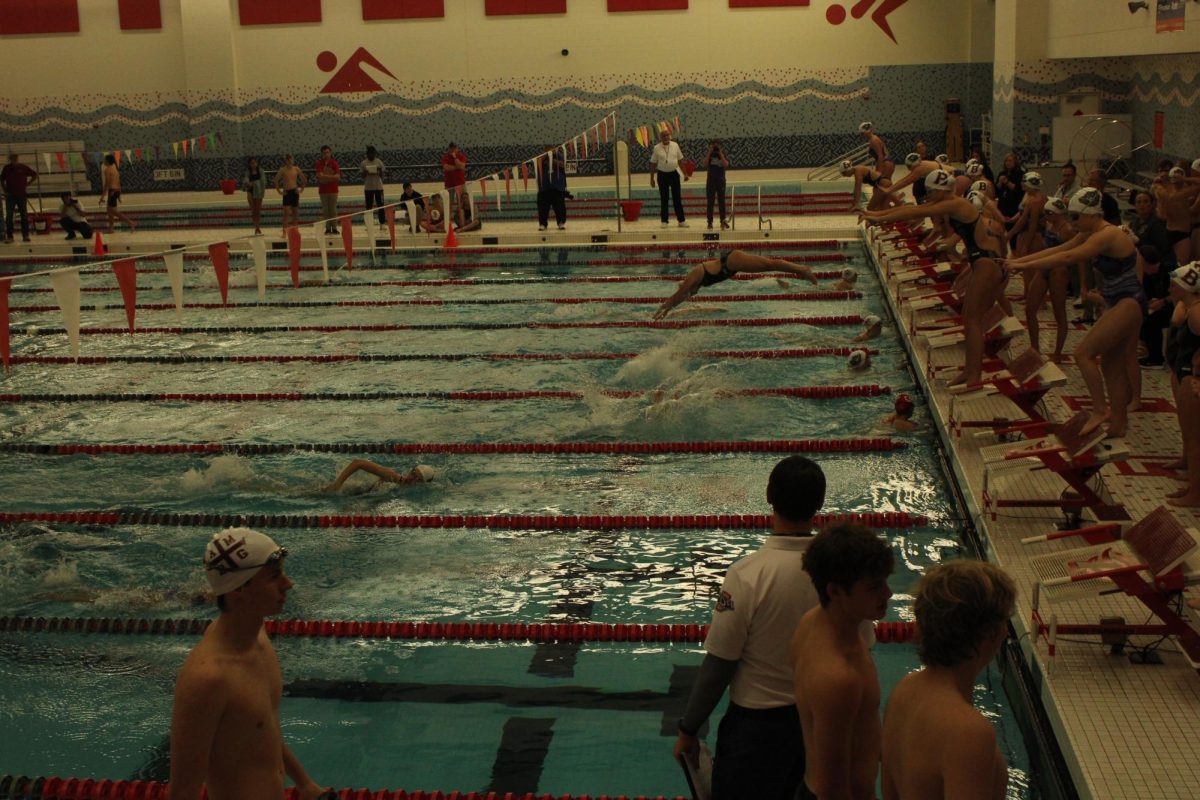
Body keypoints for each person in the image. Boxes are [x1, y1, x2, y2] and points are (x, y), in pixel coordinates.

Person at [673, 456, 829, 800]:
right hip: (821, 728)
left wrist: (688, 728)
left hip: (757, 733)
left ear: (769, 496)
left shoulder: (748, 574)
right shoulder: (838, 573)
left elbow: (720, 663)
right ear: (819, 503)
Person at [168, 528, 329, 800]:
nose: (287, 584)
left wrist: (304, 783)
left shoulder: (259, 639)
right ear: (239, 589)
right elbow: (183, 792)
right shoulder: (208, 678)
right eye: (274, 577)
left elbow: (261, 727)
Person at [1006, 187, 1143, 438]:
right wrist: (1019, 262)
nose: (1073, 223)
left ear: (1091, 214)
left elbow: (1068, 257)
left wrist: (1022, 264)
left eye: (1076, 217)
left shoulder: (1107, 234)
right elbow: (1060, 248)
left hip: (1128, 301)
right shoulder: (1091, 231)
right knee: (1112, 366)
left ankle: (1100, 410)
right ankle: (1118, 425)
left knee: (1083, 354)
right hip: (1117, 301)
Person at [881, 561, 1016, 800]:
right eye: (1005, 620)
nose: (1006, 631)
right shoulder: (969, 731)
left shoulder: (905, 690)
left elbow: (889, 791)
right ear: (990, 632)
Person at [863, 170, 1007, 386]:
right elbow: (916, 209)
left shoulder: (954, 204)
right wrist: (876, 216)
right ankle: (970, 371)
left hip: (987, 263)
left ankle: (975, 376)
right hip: (984, 261)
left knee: (972, 320)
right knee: (970, 319)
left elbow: (914, 210)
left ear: (940, 190)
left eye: (930, 191)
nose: (928, 195)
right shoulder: (955, 204)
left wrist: (875, 216)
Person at [792, 523, 895, 800]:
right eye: (874, 587)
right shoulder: (838, 678)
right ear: (836, 591)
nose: (888, 594)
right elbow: (832, 789)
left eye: (885, 581)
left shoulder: (813, 623)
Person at [653, 250, 818, 319]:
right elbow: (681, 298)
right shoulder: (695, 286)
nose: (691, 294)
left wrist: (661, 311)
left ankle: (802, 269)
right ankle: (801, 270)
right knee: (769, 265)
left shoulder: (693, 277)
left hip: (731, 261)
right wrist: (667, 311)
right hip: (730, 267)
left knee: (769, 264)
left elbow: (675, 297)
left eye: (690, 291)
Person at [1166, 262, 1200, 507]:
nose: (1169, 288)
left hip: (1192, 377)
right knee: (1189, 434)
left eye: (1173, 284)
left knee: (1195, 437)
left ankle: (1196, 494)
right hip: (1183, 372)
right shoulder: (1190, 307)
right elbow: (1176, 320)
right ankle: (1192, 485)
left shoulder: (1198, 313)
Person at [1153, 166, 1200, 265]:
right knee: (1168, 264)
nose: (1177, 180)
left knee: (1180, 265)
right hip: (1169, 231)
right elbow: (1169, 200)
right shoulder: (1171, 193)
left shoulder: (1184, 191)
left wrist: (1185, 179)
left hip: (1181, 234)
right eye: (1174, 178)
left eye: (1179, 178)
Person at [1139, 245, 1172, 367]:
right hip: (1160, 304)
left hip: (1174, 305)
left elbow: (1180, 292)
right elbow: (1147, 294)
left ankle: (1156, 357)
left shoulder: (1171, 269)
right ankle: (1147, 351)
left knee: (1153, 320)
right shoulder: (1148, 275)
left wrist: (1163, 301)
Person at [650, 128, 688, 228]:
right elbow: (653, 163)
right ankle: (664, 221)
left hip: (674, 174)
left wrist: (685, 174)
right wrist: (652, 178)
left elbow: (680, 160)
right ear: (661, 137)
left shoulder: (675, 145)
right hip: (662, 175)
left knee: (677, 198)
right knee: (664, 199)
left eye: (668, 135)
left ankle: (681, 220)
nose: (666, 137)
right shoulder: (656, 148)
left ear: (670, 136)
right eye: (664, 136)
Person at [323, 461, 435, 493]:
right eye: (413, 474)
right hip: (353, 491)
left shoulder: (404, 491)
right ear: (410, 471)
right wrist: (337, 484)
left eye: (418, 479)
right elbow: (357, 463)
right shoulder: (392, 476)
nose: (412, 479)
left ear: (421, 484)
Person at [1, 153, 37, 242]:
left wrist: (28, 184)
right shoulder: (6, 168)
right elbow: (1, 179)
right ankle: (10, 236)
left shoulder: (23, 167)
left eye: (15, 158)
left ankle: (25, 235)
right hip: (10, 196)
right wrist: (5, 190)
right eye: (12, 159)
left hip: (21, 195)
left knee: (24, 216)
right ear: (10, 159)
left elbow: (35, 175)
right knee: (9, 217)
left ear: (18, 159)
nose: (14, 160)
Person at [100, 154, 136, 233]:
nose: (103, 161)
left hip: (112, 191)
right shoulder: (115, 168)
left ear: (108, 161)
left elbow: (107, 184)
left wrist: (102, 196)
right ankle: (111, 229)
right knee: (109, 211)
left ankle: (130, 222)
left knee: (113, 211)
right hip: (116, 191)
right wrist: (119, 195)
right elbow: (119, 182)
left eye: (105, 160)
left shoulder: (107, 170)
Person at [536, 147, 568, 231]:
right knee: (543, 207)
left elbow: (563, 164)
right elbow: (536, 163)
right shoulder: (541, 157)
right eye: (548, 150)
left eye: (552, 150)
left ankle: (561, 222)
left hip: (557, 186)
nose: (550, 151)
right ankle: (543, 224)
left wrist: (552, 160)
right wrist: (546, 156)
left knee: (560, 206)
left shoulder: (559, 156)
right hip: (544, 187)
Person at [274, 154, 307, 234]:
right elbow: (275, 180)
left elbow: (304, 179)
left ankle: (295, 231)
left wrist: (301, 190)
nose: (289, 161)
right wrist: (279, 191)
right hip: (287, 193)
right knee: (286, 213)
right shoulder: (282, 170)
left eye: (290, 159)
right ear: (285, 161)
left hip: (294, 192)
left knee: (295, 213)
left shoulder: (296, 169)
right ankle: (285, 232)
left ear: (293, 160)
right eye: (287, 160)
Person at [314, 145, 341, 235]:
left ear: (330, 153)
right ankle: (328, 228)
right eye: (324, 153)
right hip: (323, 190)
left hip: (333, 190)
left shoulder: (334, 163)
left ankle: (334, 227)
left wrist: (325, 177)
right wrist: (331, 176)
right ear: (322, 154)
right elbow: (319, 176)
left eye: (328, 152)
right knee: (326, 210)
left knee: (333, 209)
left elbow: (337, 177)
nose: (326, 154)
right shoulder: (319, 163)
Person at [705, 139, 730, 229]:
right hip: (711, 180)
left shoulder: (723, 154)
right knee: (710, 202)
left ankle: (723, 221)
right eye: (713, 145)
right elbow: (704, 164)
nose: (715, 147)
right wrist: (709, 152)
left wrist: (720, 154)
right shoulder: (709, 154)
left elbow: (726, 164)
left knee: (722, 202)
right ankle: (709, 222)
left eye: (717, 145)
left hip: (720, 180)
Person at [994, 152, 1025, 224]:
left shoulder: (1020, 174)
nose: (1007, 163)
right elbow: (997, 190)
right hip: (1003, 204)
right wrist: (1000, 182)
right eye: (1006, 161)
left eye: (1010, 161)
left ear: (1015, 162)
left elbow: (1019, 190)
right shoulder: (1002, 173)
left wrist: (1007, 182)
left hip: (1014, 204)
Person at [360, 146, 387, 226]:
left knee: (381, 206)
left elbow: (382, 176)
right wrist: (366, 171)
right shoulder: (364, 163)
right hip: (368, 188)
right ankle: (369, 224)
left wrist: (379, 170)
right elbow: (362, 176)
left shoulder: (379, 162)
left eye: (373, 153)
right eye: (369, 153)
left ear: (375, 154)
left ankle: (382, 223)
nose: (371, 155)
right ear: (367, 154)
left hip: (379, 187)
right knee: (368, 207)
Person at [243, 157, 267, 235]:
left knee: (258, 210)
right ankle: (256, 228)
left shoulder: (260, 171)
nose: (253, 164)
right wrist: (248, 183)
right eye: (252, 163)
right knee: (253, 211)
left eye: (254, 163)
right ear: (249, 164)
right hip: (250, 192)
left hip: (258, 192)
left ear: (257, 163)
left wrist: (253, 183)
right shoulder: (248, 172)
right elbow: (246, 180)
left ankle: (258, 227)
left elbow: (263, 181)